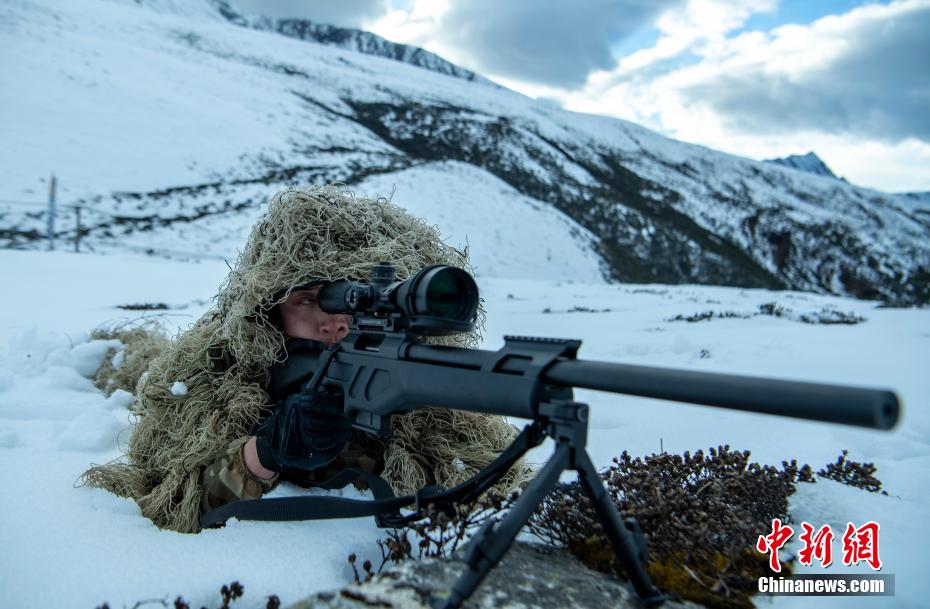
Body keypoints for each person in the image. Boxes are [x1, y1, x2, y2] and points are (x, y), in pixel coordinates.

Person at [83, 185, 531, 533]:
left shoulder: (416, 380)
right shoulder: (216, 374)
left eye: (351, 304)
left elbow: (492, 488)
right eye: (309, 300)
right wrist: (263, 453)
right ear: (267, 308)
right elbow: (166, 504)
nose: (335, 323)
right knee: (137, 366)